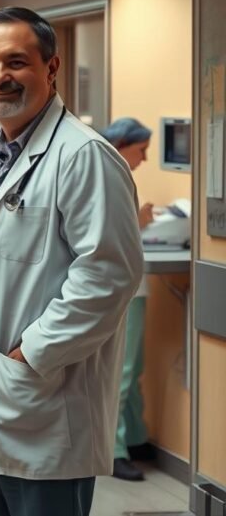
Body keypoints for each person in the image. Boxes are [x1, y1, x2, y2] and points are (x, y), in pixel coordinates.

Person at [0, 7, 144, 516]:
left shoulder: (84, 155)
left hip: (42, 406)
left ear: (51, 68)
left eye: (15, 62)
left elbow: (109, 275)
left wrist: (33, 353)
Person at [101, 117, 156, 482]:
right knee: (122, 371)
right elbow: (108, 236)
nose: (146, 158)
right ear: (122, 146)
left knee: (133, 369)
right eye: (142, 150)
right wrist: (138, 223)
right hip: (122, 290)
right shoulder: (107, 177)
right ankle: (116, 450)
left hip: (133, 287)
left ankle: (135, 437)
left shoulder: (116, 175)